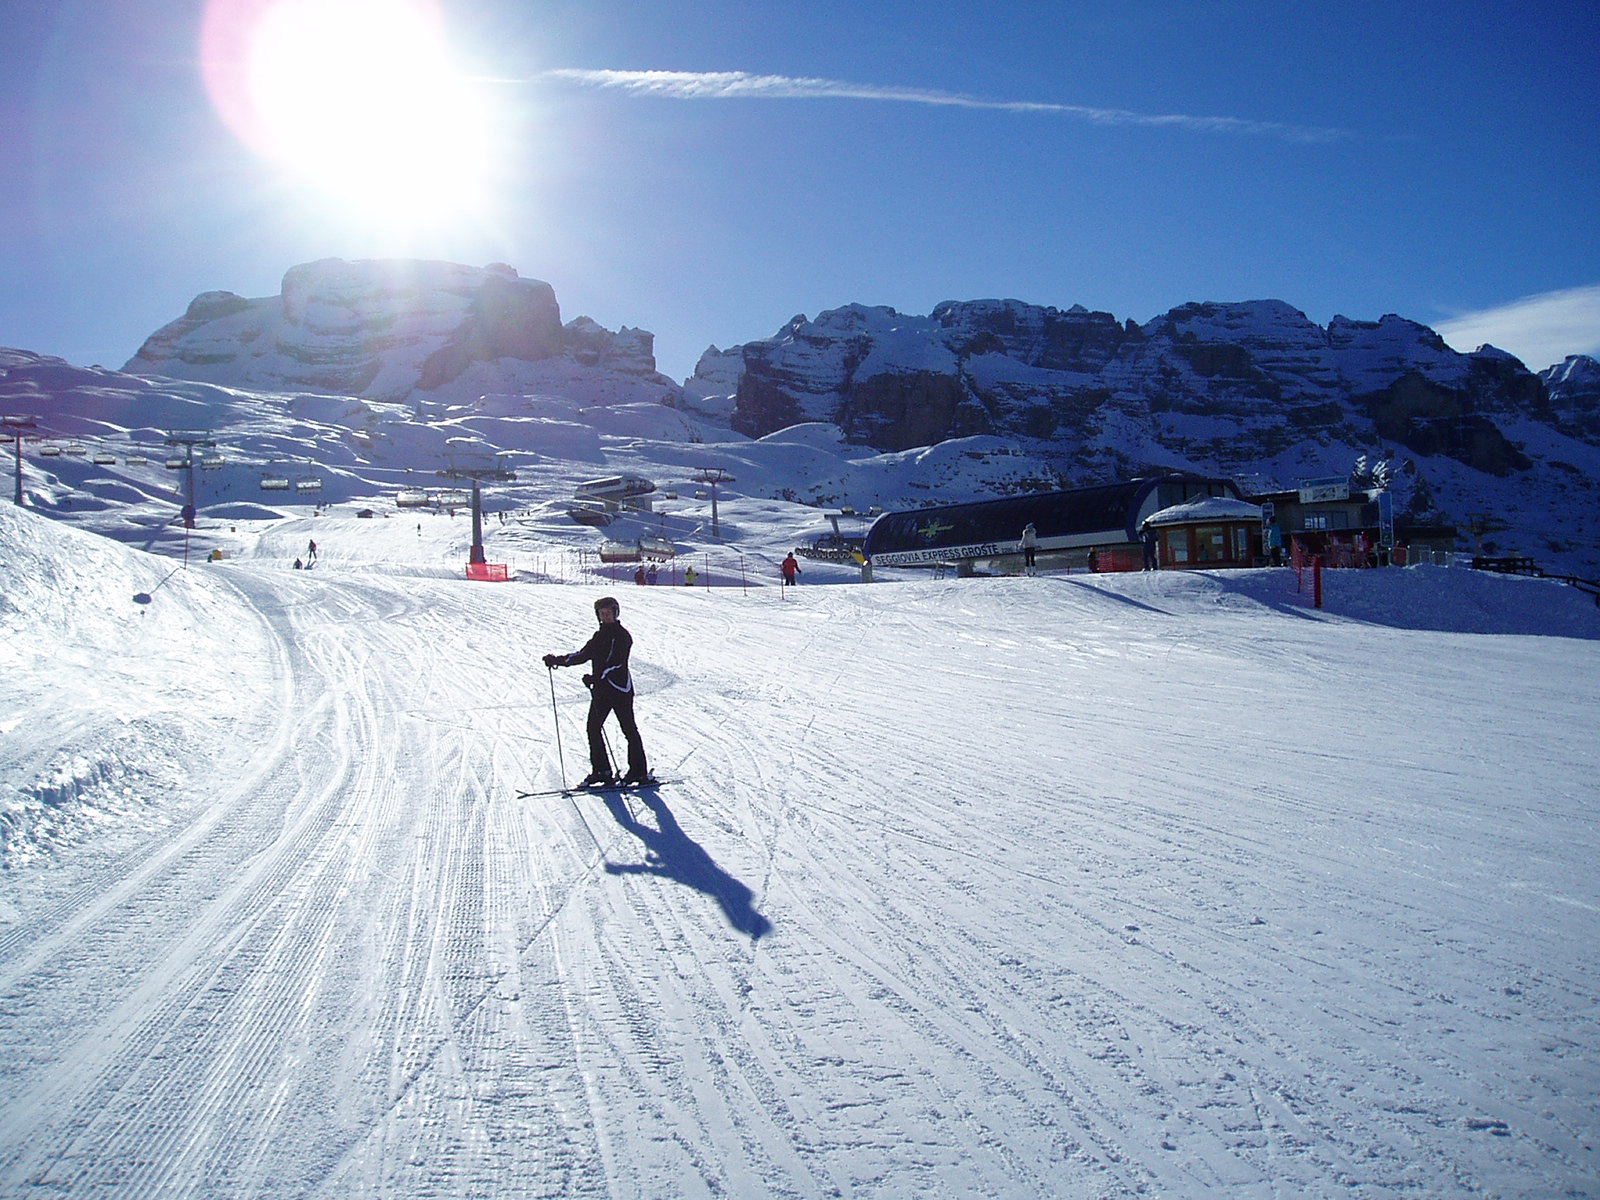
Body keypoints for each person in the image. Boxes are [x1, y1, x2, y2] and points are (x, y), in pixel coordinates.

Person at [543, 596, 652, 788]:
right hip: (601, 691)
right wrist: (557, 660)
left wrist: (596, 678)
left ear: (615, 613)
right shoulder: (599, 636)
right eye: (602, 614)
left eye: (608, 613)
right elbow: (582, 655)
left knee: (629, 729)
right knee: (593, 727)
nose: (605, 616)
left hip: (620, 690)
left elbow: (616, 662)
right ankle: (602, 771)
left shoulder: (622, 636)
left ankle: (638, 771)